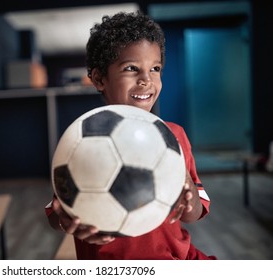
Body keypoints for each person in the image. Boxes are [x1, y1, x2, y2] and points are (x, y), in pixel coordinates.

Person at [45, 11, 216, 260]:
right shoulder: (83, 141)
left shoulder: (174, 135)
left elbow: (193, 214)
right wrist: (67, 220)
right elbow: (55, 215)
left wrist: (184, 188)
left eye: (155, 68)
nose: (146, 79)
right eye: (131, 68)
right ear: (99, 78)